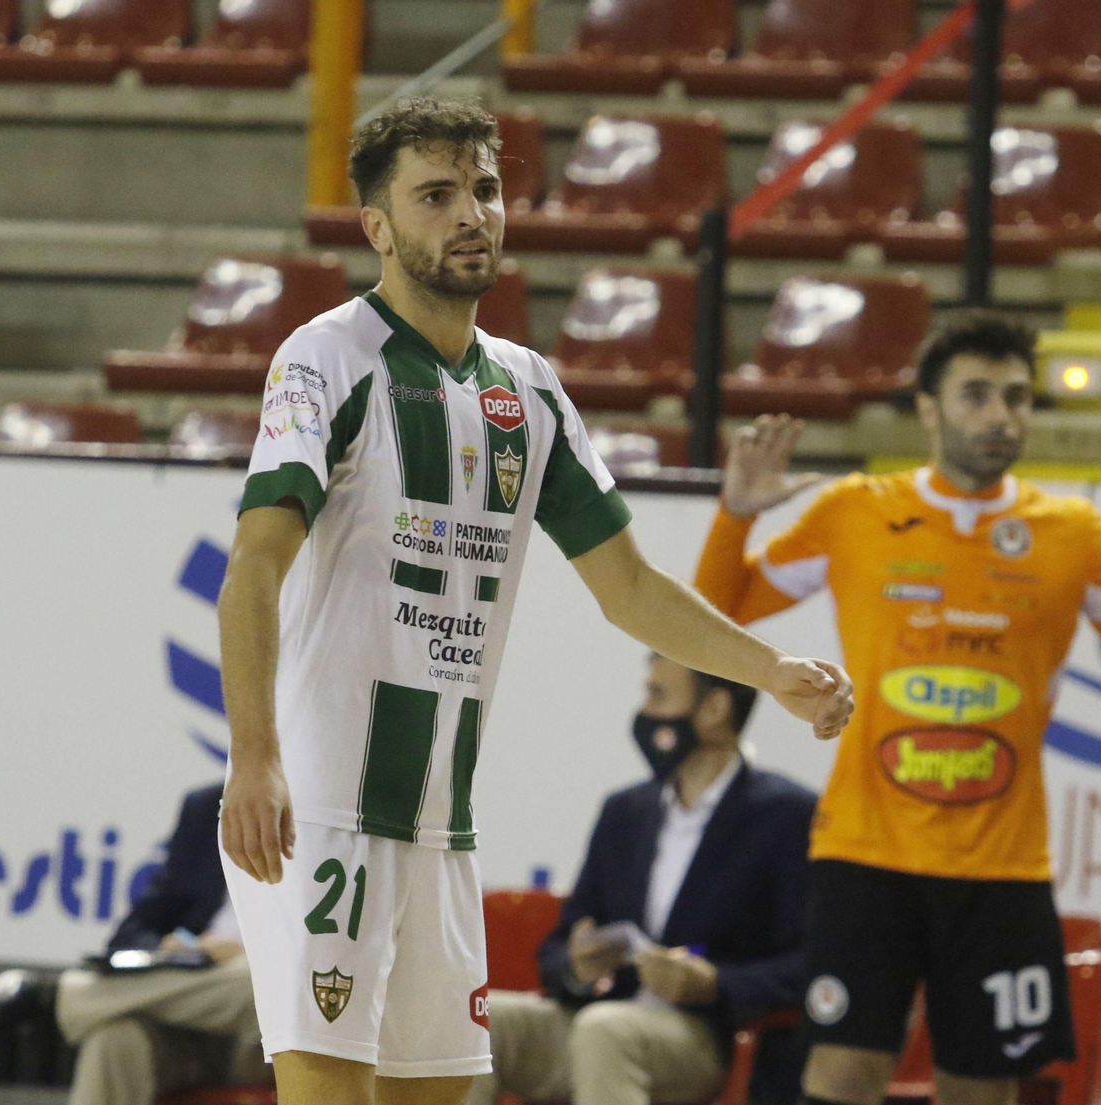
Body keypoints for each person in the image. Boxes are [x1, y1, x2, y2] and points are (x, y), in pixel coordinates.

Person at [215, 96, 855, 1105]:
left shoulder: (530, 387)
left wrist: (768, 670)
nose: (470, 212)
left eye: (484, 188)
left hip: (440, 821)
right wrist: (254, 758)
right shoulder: (324, 357)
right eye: (435, 195)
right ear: (377, 228)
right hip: (325, 809)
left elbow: (630, 587)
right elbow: (254, 567)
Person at [693, 316, 1101, 1105]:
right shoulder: (857, 513)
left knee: (981, 1082)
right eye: (976, 395)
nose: (1000, 415)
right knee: (844, 1069)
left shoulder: (1074, 533)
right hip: (865, 855)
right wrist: (735, 514)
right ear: (928, 408)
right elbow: (719, 608)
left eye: (1015, 396)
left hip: (1000, 868)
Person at [468, 655, 815, 1105]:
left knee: (607, 1031)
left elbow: (808, 964)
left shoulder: (787, 815)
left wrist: (712, 982)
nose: (644, 713)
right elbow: (555, 949)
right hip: (600, 1018)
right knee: (476, 1017)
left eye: (658, 695)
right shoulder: (625, 811)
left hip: (706, 1035)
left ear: (715, 708)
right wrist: (577, 966)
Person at [0, 783, 266, 1105]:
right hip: (190, 1024)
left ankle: (47, 996)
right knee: (114, 1040)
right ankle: (50, 997)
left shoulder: (318, 813)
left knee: (267, 981)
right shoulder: (208, 807)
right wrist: (180, 947)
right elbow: (134, 930)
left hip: (267, 1036)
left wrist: (242, 953)